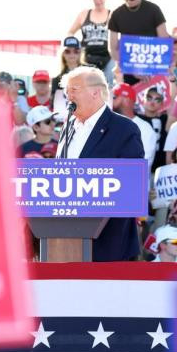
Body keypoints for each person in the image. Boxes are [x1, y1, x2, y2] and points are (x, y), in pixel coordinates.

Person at [60, 67, 143, 261]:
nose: (67, 95)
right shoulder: (68, 127)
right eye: (67, 90)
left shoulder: (124, 129)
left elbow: (131, 184)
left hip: (109, 242)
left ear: (95, 92)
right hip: (66, 240)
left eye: (74, 89)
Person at [107, 0, 168, 85]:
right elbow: (113, 48)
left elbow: (163, 41)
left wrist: (151, 69)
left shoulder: (153, 10)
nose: (129, 2)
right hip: (128, 70)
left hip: (153, 67)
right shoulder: (116, 14)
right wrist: (131, 69)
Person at [69, 0, 113, 78]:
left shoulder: (112, 15)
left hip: (107, 57)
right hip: (87, 57)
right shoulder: (84, 14)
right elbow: (70, 32)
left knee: (108, 84)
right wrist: (74, 46)